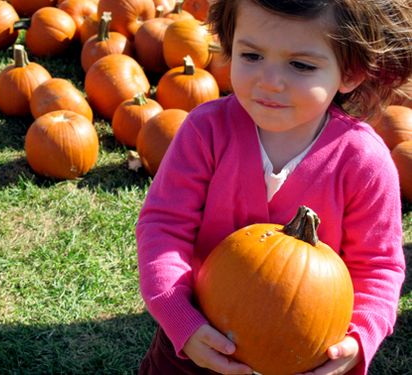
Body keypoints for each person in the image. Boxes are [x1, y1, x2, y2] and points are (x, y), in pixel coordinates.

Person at [136, 0, 412, 374]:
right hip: (198, 338)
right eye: (251, 55)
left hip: (305, 356)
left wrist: (359, 337)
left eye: (300, 65)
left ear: (351, 72)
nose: (269, 80)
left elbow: (377, 266)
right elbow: (164, 227)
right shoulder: (206, 132)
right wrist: (178, 316)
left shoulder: (364, 161)